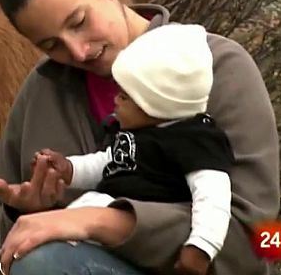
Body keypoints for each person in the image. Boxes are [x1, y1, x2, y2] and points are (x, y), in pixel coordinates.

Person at [0, 0, 280, 275]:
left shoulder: (217, 67)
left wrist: (103, 222)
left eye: (78, 22)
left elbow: (255, 239)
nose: (78, 52)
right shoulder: (42, 90)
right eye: (52, 45)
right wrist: (25, 212)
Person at [42, 23, 235, 275]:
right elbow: (109, 162)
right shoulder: (138, 131)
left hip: (141, 246)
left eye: (125, 96)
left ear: (157, 103)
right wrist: (71, 168)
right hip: (98, 235)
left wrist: (201, 247)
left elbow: (213, 196)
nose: (115, 100)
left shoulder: (194, 140)